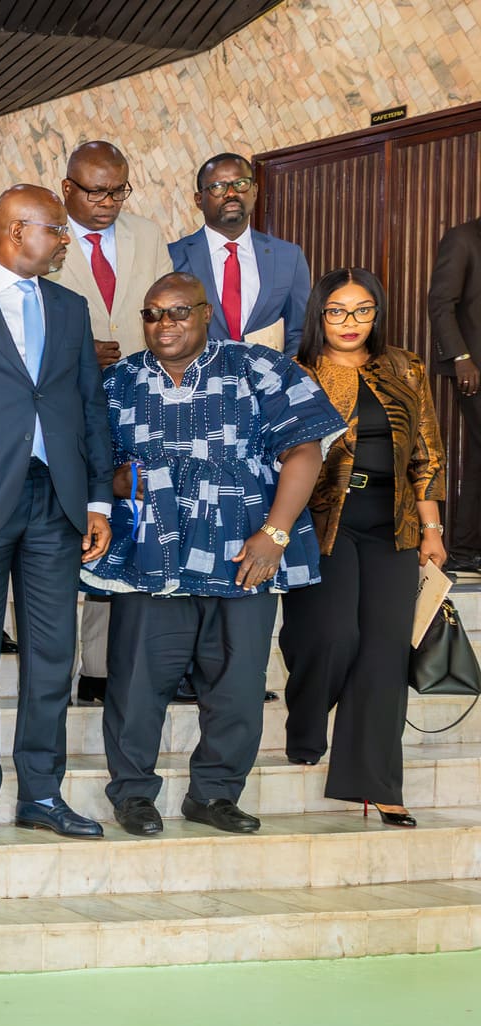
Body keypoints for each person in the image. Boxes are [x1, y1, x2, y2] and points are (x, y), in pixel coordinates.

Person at [87, 273, 341, 835]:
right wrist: (119, 482)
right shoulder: (118, 381)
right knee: (136, 681)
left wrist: (275, 534)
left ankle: (215, 794)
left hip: (243, 549)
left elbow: (305, 449)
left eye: (179, 311)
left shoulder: (259, 368)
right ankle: (133, 794)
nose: (164, 324)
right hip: (152, 555)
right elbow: (91, 461)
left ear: (206, 314)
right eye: (152, 313)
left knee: (239, 682)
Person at [0, 185, 112, 842]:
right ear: (16, 230)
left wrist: (97, 498)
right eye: (56, 229)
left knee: (52, 653)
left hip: (55, 501)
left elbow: (90, 405)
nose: (65, 240)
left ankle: (41, 792)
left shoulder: (70, 307)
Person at [281, 269, 445, 827]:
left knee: (383, 651)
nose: (350, 322)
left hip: (392, 523)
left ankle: (376, 783)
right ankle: (305, 720)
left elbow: (426, 453)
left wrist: (432, 528)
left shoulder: (405, 367)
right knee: (332, 635)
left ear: (377, 313)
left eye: (362, 310)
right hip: (321, 520)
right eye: (337, 310)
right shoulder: (296, 372)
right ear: (319, 314)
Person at [44, 141, 173, 704]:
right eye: (96, 192)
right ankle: (50, 661)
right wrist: (74, 351)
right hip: (62, 407)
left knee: (121, 523)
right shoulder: (44, 232)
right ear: (67, 188)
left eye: (118, 191)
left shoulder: (147, 234)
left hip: (137, 403)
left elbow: (166, 308)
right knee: (63, 529)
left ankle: (101, 667)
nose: (107, 203)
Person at [168, 153, 312, 353]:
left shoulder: (289, 257)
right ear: (199, 200)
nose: (231, 193)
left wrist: (279, 370)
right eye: (218, 186)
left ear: (254, 191)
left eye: (241, 184)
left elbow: (298, 332)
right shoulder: (171, 257)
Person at [426, 214, 481, 569]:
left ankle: (465, 549)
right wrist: (461, 357)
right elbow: (440, 303)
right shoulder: (463, 238)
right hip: (475, 370)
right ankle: (464, 549)